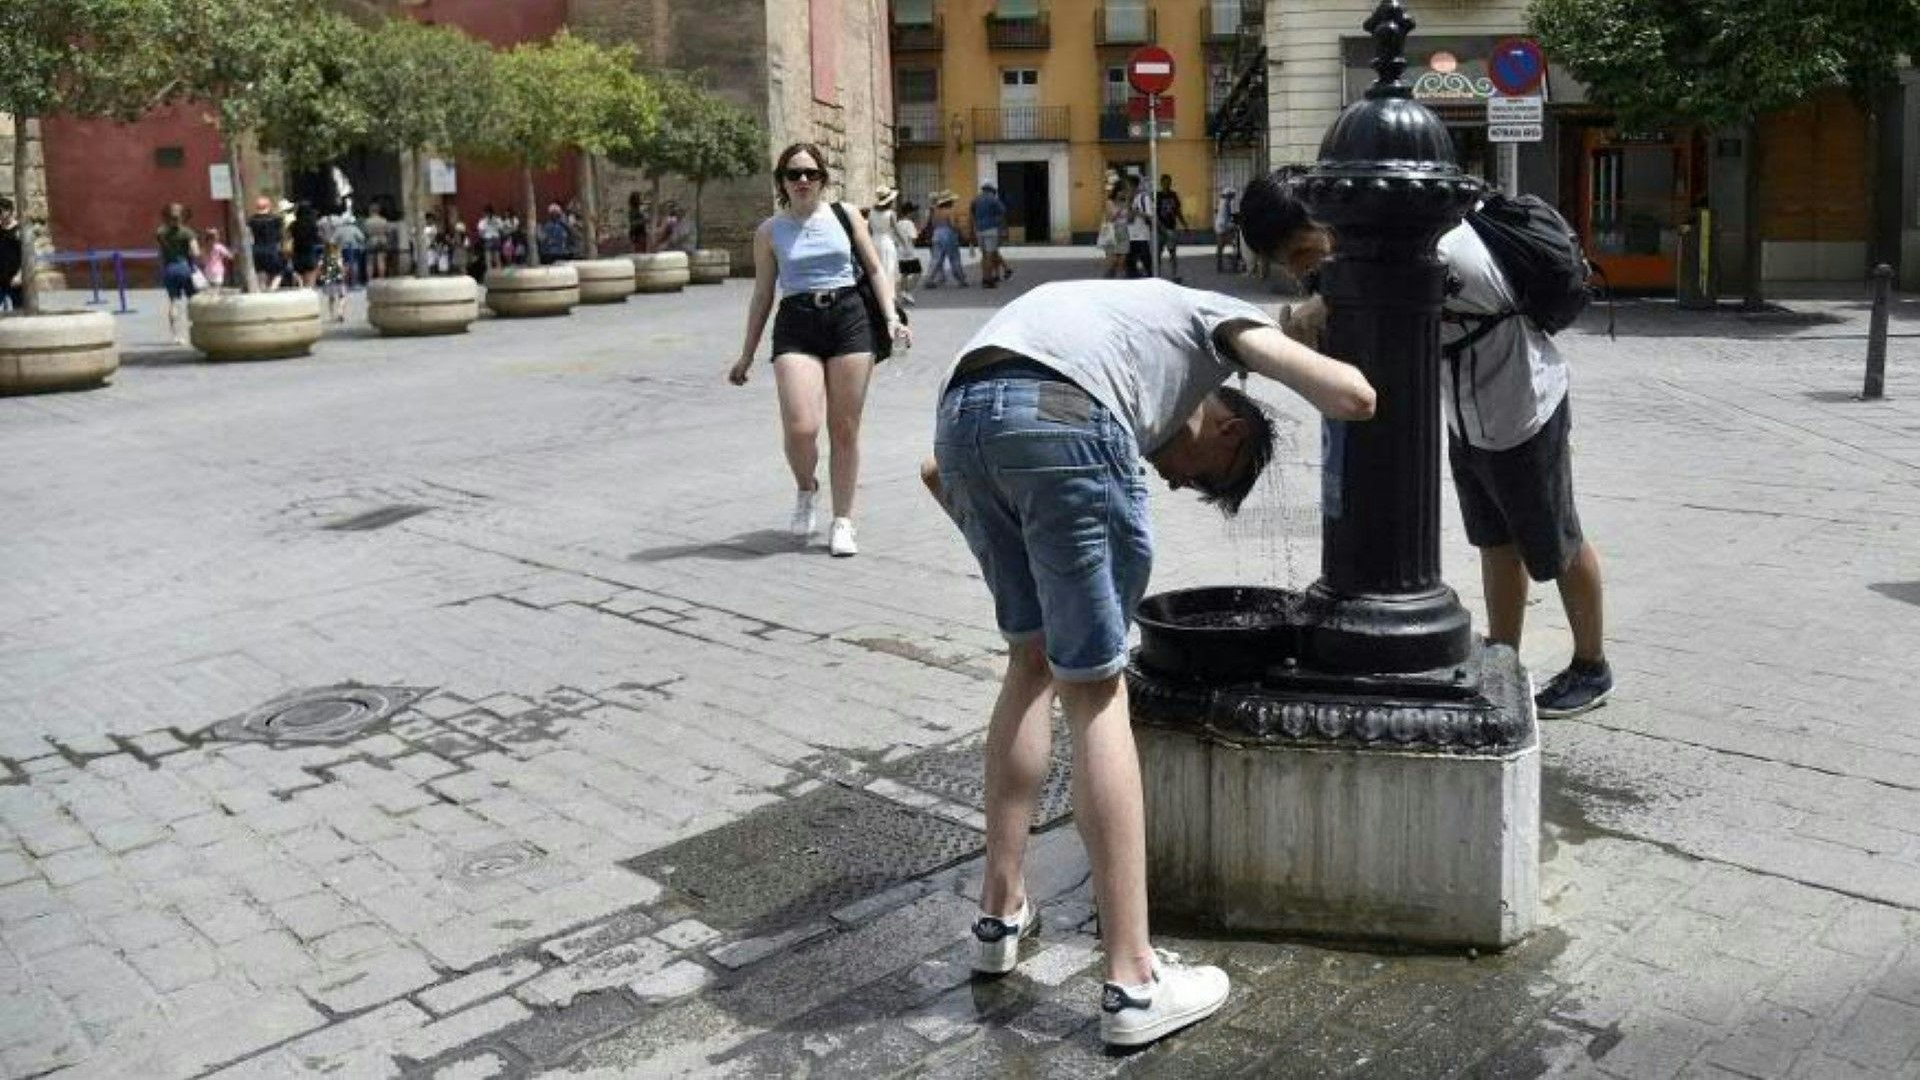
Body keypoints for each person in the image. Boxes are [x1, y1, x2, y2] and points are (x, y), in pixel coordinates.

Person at [921, 279, 1375, 1048]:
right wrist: (1357, 374)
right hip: (1066, 416)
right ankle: (1133, 983)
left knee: (1029, 663)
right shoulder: (1207, 316)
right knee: (1097, 695)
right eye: (1200, 478)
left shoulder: (1124, 318)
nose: (1170, 479)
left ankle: (998, 918)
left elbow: (937, 476)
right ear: (1227, 428)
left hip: (960, 419)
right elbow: (1353, 398)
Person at [1238, 170, 1612, 718]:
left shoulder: (1435, 246)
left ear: (1326, 220)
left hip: (1523, 405)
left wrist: (1328, 307)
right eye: (1287, 263)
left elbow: (1391, 301)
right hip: (1467, 412)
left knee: (1555, 540)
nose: (1300, 271)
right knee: (1495, 538)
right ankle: (1504, 659)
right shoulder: (1373, 250)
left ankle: (1591, 665)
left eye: (1300, 251)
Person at [728, 142, 909, 558]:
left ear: (823, 179)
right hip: (796, 322)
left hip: (849, 317)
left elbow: (876, 269)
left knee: (844, 428)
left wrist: (891, 317)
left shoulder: (846, 215)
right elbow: (761, 296)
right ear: (782, 182)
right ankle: (806, 488)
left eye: (810, 173)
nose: (803, 180)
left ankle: (843, 520)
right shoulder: (769, 231)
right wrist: (746, 354)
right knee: (801, 428)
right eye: (794, 174)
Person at [155, 203, 200, 343]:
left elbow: (160, 250)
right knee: (194, 300)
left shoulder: (160, 233)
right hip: (185, 268)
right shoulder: (188, 233)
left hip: (169, 269)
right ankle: (196, 330)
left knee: (174, 301)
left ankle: (176, 336)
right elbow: (195, 252)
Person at [970, 182, 1011, 287]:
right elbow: (1002, 212)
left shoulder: (976, 199)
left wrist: (973, 228)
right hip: (991, 229)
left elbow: (972, 214)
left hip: (979, 230)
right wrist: (1002, 228)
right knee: (990, 254)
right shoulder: (993, 199)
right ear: (992, 190)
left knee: (984, 255)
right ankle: (988, 279)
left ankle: (984, 278)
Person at [924, 193, 967, 288]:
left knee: (936, 259)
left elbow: (933, 224)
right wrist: (960, 229)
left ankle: (929, 279)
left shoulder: (936, 212)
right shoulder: (949, 211)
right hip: (948, 234)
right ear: (948, 202)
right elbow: (952, 224)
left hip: (937, 234)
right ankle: (960, 279)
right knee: (954, 258)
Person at [868, 187, 901, 303]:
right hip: (886, 243)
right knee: (889, 269)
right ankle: (890, 297)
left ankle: (878, 295)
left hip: (874, 241)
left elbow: (869, 230)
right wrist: (904, 243)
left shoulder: (871, 212)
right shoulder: (891, 213)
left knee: (877, 270)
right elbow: (896, 230)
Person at [246, 197, 286, 292]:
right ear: (268, 206)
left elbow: (249, 237)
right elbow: (280, 237)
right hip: (271, 249)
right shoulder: (276, 219)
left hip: (256, 250)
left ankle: (262, 292)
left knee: (260, 274)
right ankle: (272, 289)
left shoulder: (251, 221)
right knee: (279, 272)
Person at [1155, 174, 1188, 279]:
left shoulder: (1174, 195)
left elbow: (1178, 211)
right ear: (1161, 183)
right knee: (1157, 253)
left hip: (1171, 227)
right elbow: (1154, 213)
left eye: (1168, 182)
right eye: (1164, 182)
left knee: (1172, 252)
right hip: (1159, 228)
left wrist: (1184, 224)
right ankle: (1157, 274)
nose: (1167, 184)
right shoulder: (1157, 196)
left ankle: (1174, 274)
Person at [893, 199, 922, 307]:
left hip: (900, 252)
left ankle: (904, 292)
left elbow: (895, 239)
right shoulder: (909, 223)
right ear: (909, 212)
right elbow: (913, 238)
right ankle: (908, 291)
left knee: (904, 273)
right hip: (909, 252)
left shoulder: (898, 223)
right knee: (918, 272)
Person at [1125, 175, 1154, 278]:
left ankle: (1149, 277)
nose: (1126, 189)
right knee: (1130, 261)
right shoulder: (1130, 199)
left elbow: (1150, 216)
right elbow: (1128, 217)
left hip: (1141, 235)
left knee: (1145, 258)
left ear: (1133, 186)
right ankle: (1133, 278)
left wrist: (1136, 212)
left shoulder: (1143, 198)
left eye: (1127, 186)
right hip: (1131, 234)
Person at [1100, 180, 1130, 279]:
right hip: (1112, 232)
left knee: (1121, 262)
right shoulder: (1109, 202)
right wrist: (1120, 208)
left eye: (1125, 191)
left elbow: (1129, 219)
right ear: (1116, 191)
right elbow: (1110, 218)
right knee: (1113, 262)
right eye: (1122, 191)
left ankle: (1117, 283)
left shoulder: (1126, 203)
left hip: (1124, 232)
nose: (1123, 193)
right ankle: (1107, 280)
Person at [289, 202, 322, 287]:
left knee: (299, 282)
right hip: (309, 254)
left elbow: (290, 238)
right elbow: (317, 239)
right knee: (310, 282)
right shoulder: (313, 226)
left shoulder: (293, 225)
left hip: (297, 254)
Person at [318, 238, 348, 322]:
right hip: (339, 279)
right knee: (342, 296)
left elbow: (320, 266)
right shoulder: (338, 256)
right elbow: (341, 266)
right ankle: (340, 312)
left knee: (331, 298)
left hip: (328, 279)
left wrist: (321, 275)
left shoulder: (323, 256)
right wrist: (344, 272)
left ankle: (332, 315)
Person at [331, 213, 365, 287]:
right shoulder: (355, 228)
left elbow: (333, 240)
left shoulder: (339, 229)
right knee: (355, 264)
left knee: (345, 264)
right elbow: (362, 238)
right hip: (355, 248)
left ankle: (344, 281)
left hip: (343, 248)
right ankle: (355, 281)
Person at [0, 198, 22, 310]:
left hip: (15, 277)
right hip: (1, 277)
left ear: (9, 211)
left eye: (2, 211)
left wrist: (20, 274)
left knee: (20, 309)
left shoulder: (19, 230)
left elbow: (27, 256)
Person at [1213, 188, 1242, 274]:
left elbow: (1225, 215)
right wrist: (1234, 221)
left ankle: (1220, 266)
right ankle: (1234, 263)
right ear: (1229, 195)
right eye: (1232, 196)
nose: (1233, 198)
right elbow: (1226, 217)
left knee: (1220, 247)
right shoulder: (1225, 203)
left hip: (1219, 226)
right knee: (1235, 244)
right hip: (1224, 226)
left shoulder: (1222, 202)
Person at [364, 203, 394, 281]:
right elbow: (388, 232)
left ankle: (370, 279)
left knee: (370, 262)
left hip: (371, 240)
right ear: (379, 211)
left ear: (370, 211)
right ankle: (381, 279)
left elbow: (365, 233)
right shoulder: (384, 220)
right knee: (381, 260)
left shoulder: (367, 221)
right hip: (382, 240)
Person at [202, 228, 233, 294]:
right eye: (217, 235)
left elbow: (203, 259)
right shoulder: (219, 247)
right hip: (217, 270)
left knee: (209, 290)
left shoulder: (204, 247)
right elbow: (230, 256)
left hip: (208, 270)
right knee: (217, 290)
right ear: (214, 237)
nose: (218, 236)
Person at [479, 206, 503, 270]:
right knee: (497, 255)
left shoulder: (483, 221)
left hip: (488, 238)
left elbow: (481, 232)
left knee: (488, 255)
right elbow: (501, 229)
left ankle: (489, 270)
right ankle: (498, 270)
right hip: (496, 237)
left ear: (486, 212)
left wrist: (483, 236)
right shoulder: (497, 219)